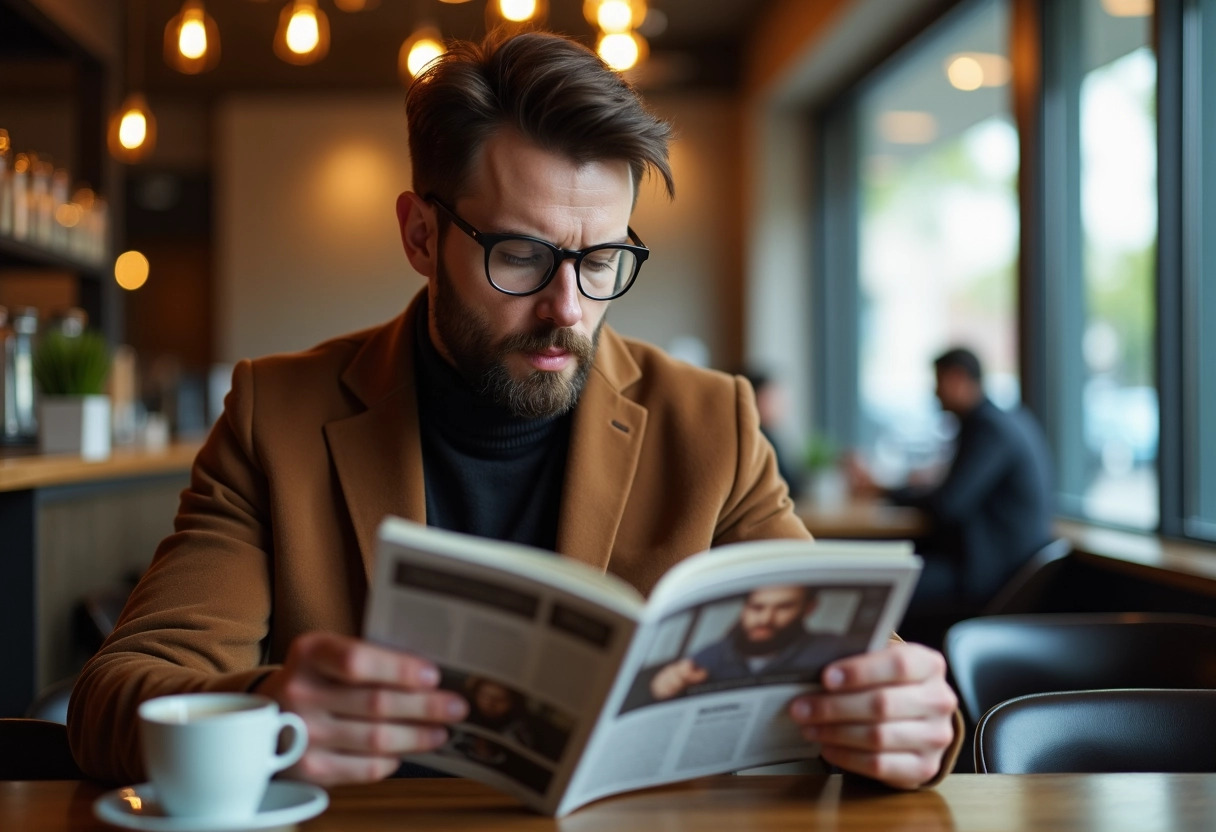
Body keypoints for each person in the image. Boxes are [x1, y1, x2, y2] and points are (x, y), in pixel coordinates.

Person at [68, 31, 960, 792]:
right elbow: (114, 696)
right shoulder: (279, 416)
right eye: (523, 255)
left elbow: (847, 677)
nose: (568, 307)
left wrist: (908, 727)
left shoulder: (711, 423)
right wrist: (264, 712)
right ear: (421, 235)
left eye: (603, 257)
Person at [848, 347, 1053, 618]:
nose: (935, 393)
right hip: (999, 564)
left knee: (878, 589)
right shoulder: (1002, 421)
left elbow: (948, 505)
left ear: (957, 379)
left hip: (991, 575)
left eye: (938, 382)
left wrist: (884, 491)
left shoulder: (988, 429)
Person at [649, 586, 852, 700]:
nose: (766, 619)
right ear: (744, 609)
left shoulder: (833, 649)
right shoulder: (711, 654)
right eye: (757, 607)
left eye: (783, 607)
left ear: (809, 608)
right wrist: (666, 686)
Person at [740, 370, 804, 500]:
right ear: (754, 399)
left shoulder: (766, 435)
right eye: (772, 398)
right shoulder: (760, 439)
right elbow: (788, 486)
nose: (781, 405)